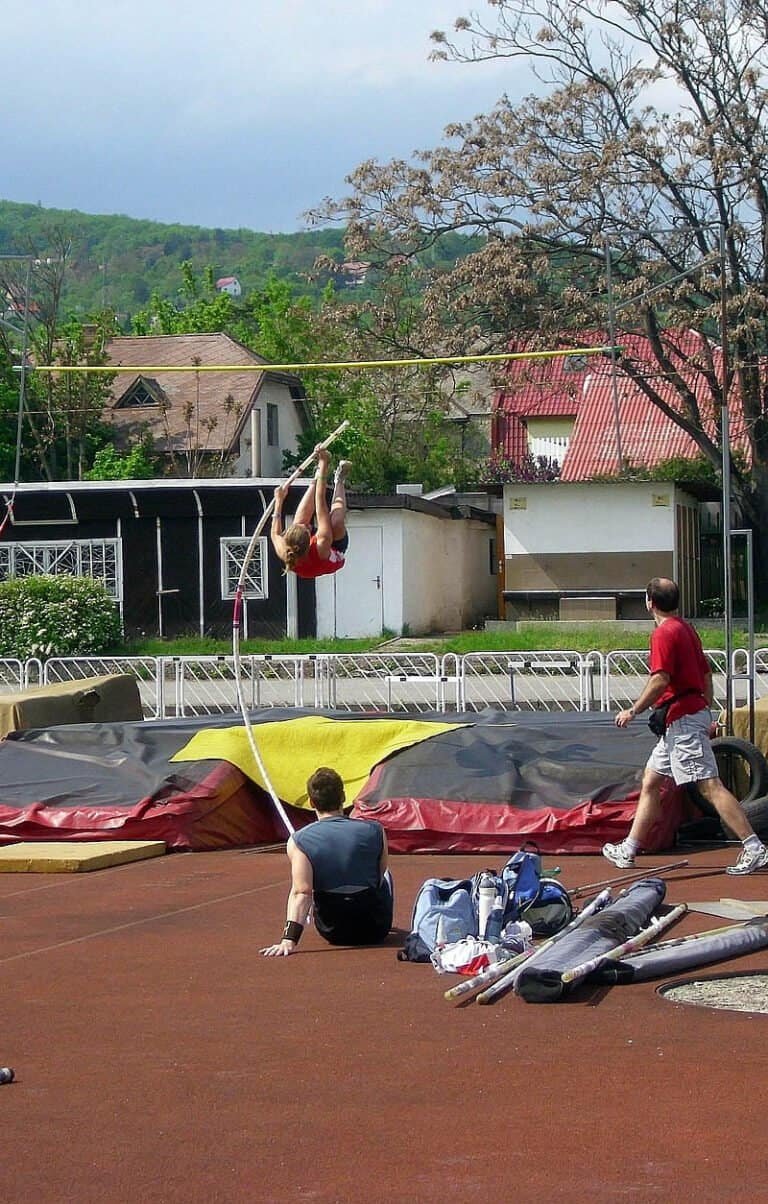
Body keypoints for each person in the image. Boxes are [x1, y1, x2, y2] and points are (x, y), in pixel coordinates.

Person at [603, 576, 768, 876]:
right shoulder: (687, 630)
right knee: (651, 781)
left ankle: (754, 846)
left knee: (710, 786)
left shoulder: (664, 633)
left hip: (681, 720)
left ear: (649, 602)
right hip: (684, 718)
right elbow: (705, 674)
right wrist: (705, 710)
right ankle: (628, 848)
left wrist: (633, 710)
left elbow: (660, 679)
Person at [261, 766, 393, 956]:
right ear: (343, 797)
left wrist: (288, 940)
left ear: (312, 803)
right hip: (376, 928)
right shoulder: (375, 830)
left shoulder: (299, 840)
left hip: (333, 930)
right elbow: (380, 876)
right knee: (386, 875)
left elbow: (302, 892)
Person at [270, 446, 352, 578]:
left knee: (299, 522)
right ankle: (339, 480)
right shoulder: (321, 543)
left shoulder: (285, 551)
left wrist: (279, 500)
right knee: (336, 522)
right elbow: (321, 503)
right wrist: (324, 462)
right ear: (310, 537)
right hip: (334, 551)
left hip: (310, 554)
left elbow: (274, 534)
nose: (308, 525)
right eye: (306, 528)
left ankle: (314, 480)